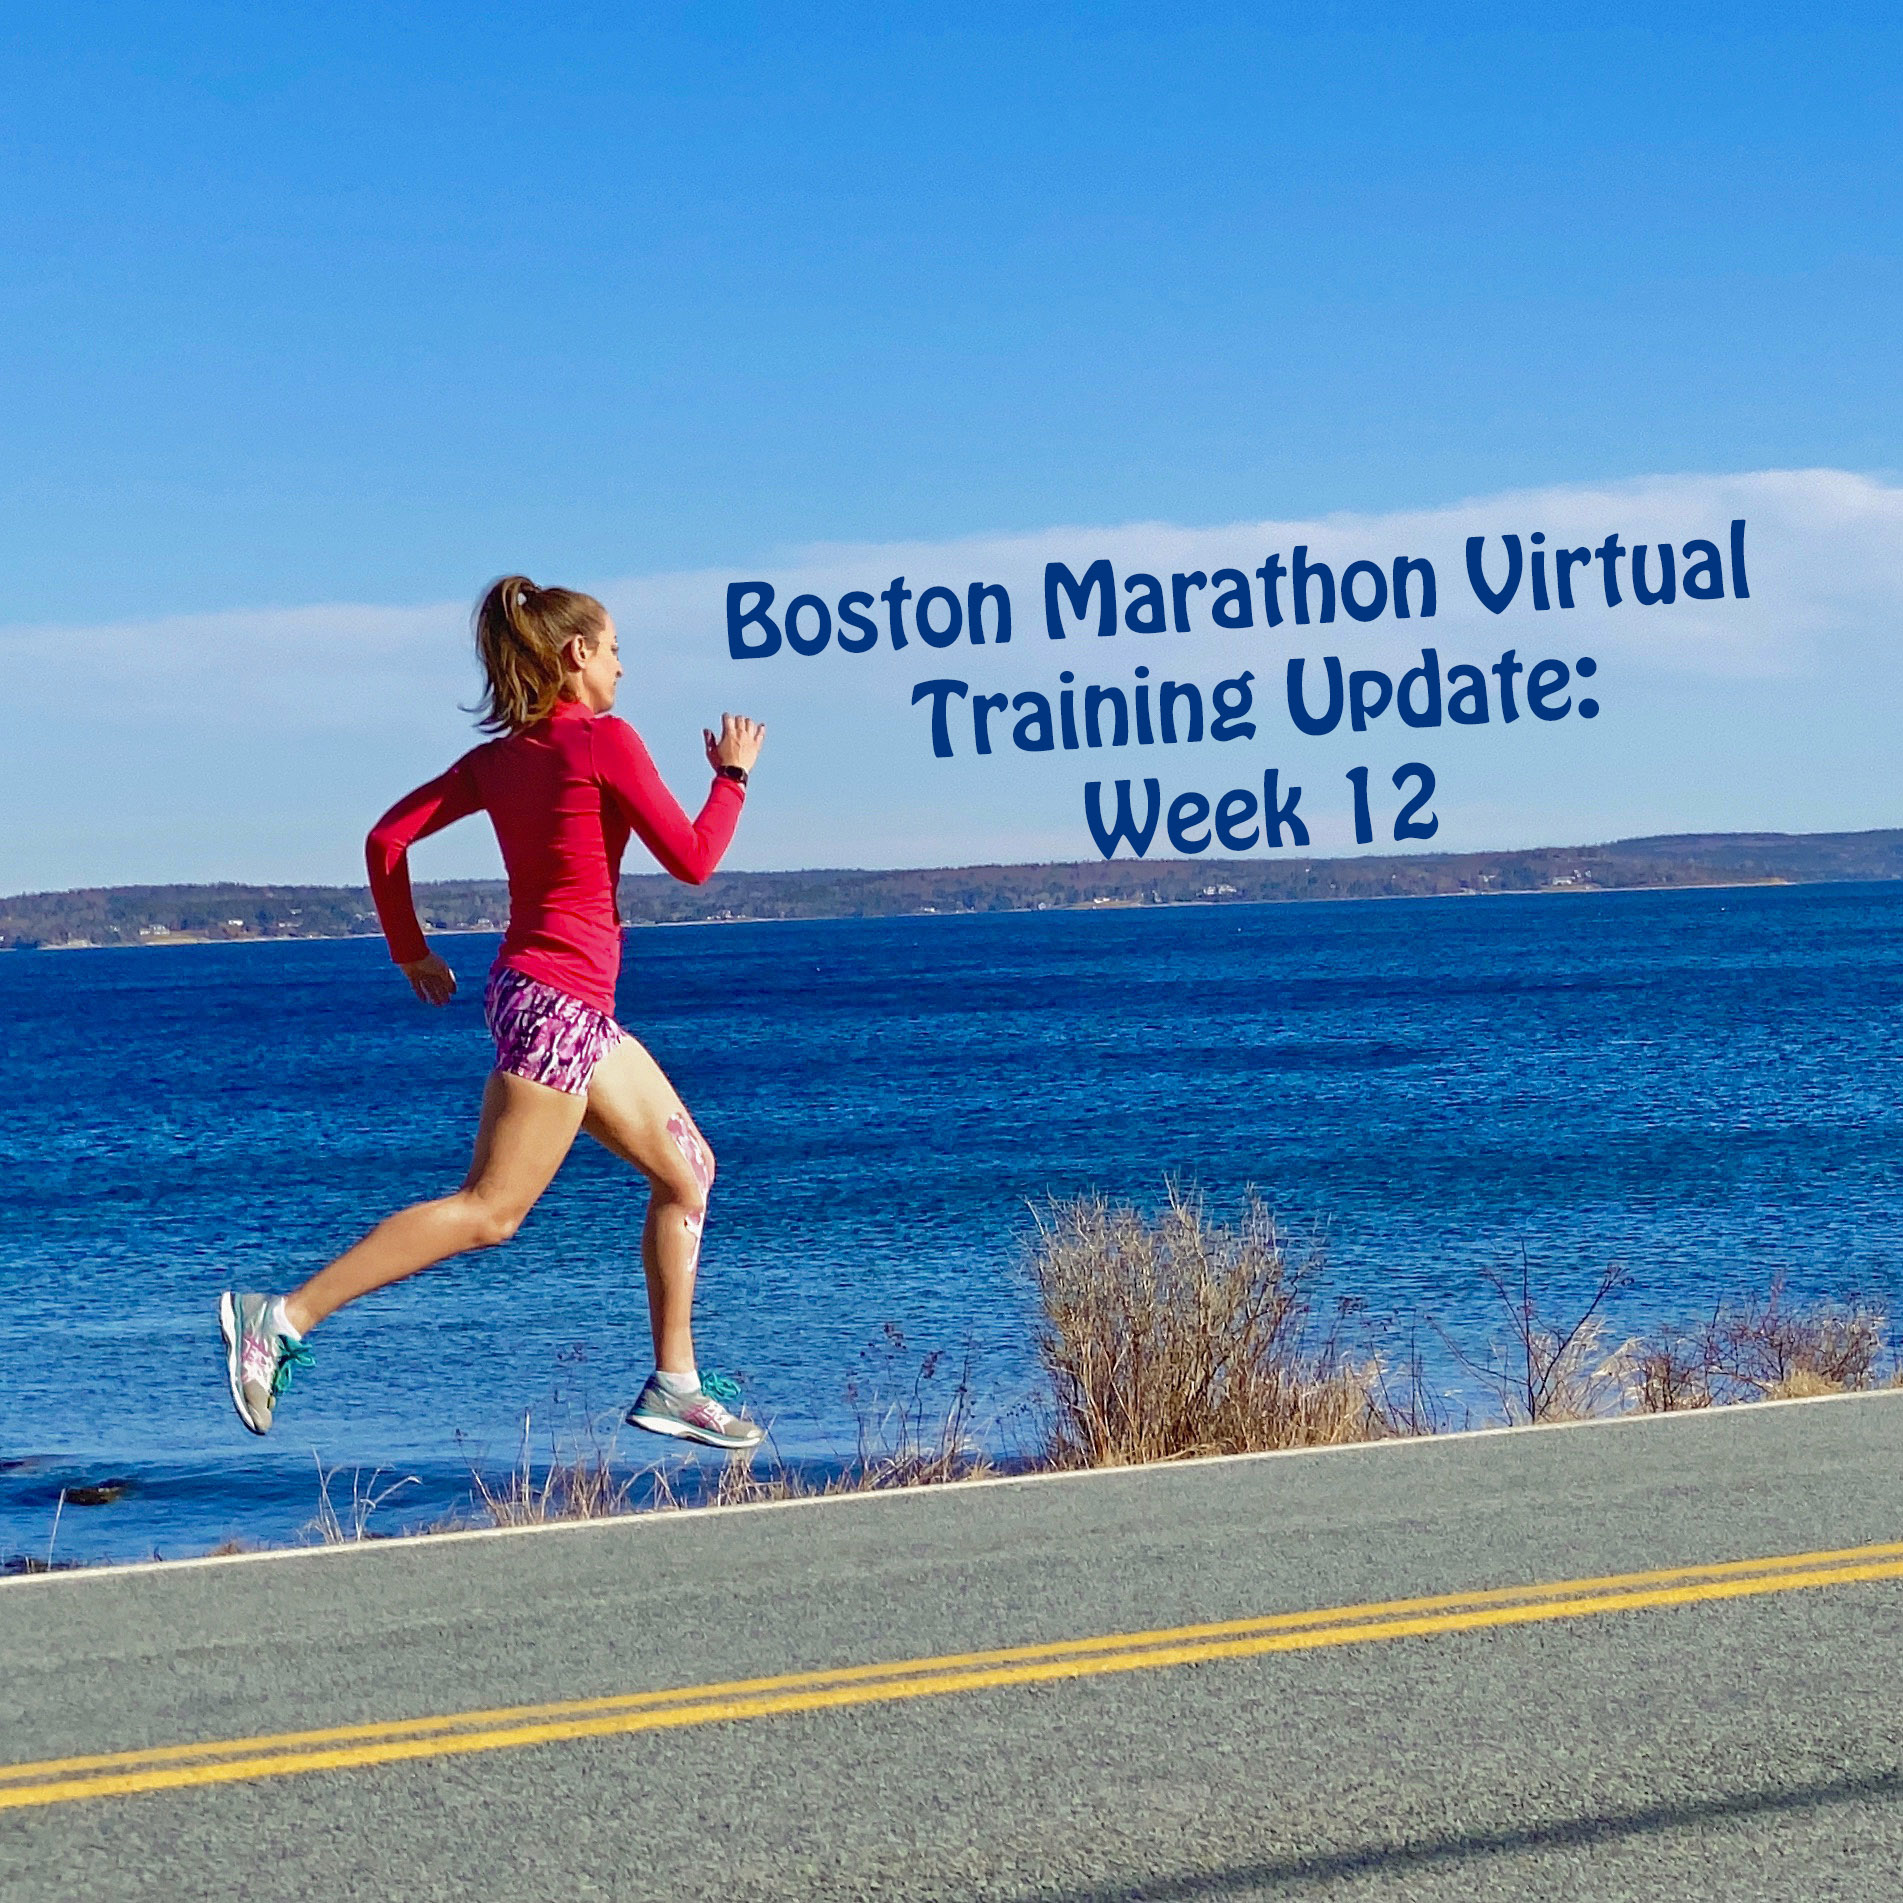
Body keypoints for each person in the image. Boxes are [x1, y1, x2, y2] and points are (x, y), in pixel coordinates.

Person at [219, 575, 768, 1451]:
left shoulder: (497, 760)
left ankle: (676, 1384)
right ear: (576, 654)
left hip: (552, 1000)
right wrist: (731, 778)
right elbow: (695, 859)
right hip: (558, 1004)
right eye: (615, 649)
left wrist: (409, 948)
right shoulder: (605, 740)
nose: (623, 667)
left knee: (688, 1170)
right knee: (491, 1210)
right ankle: (281, 1317)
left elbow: (386, 838)